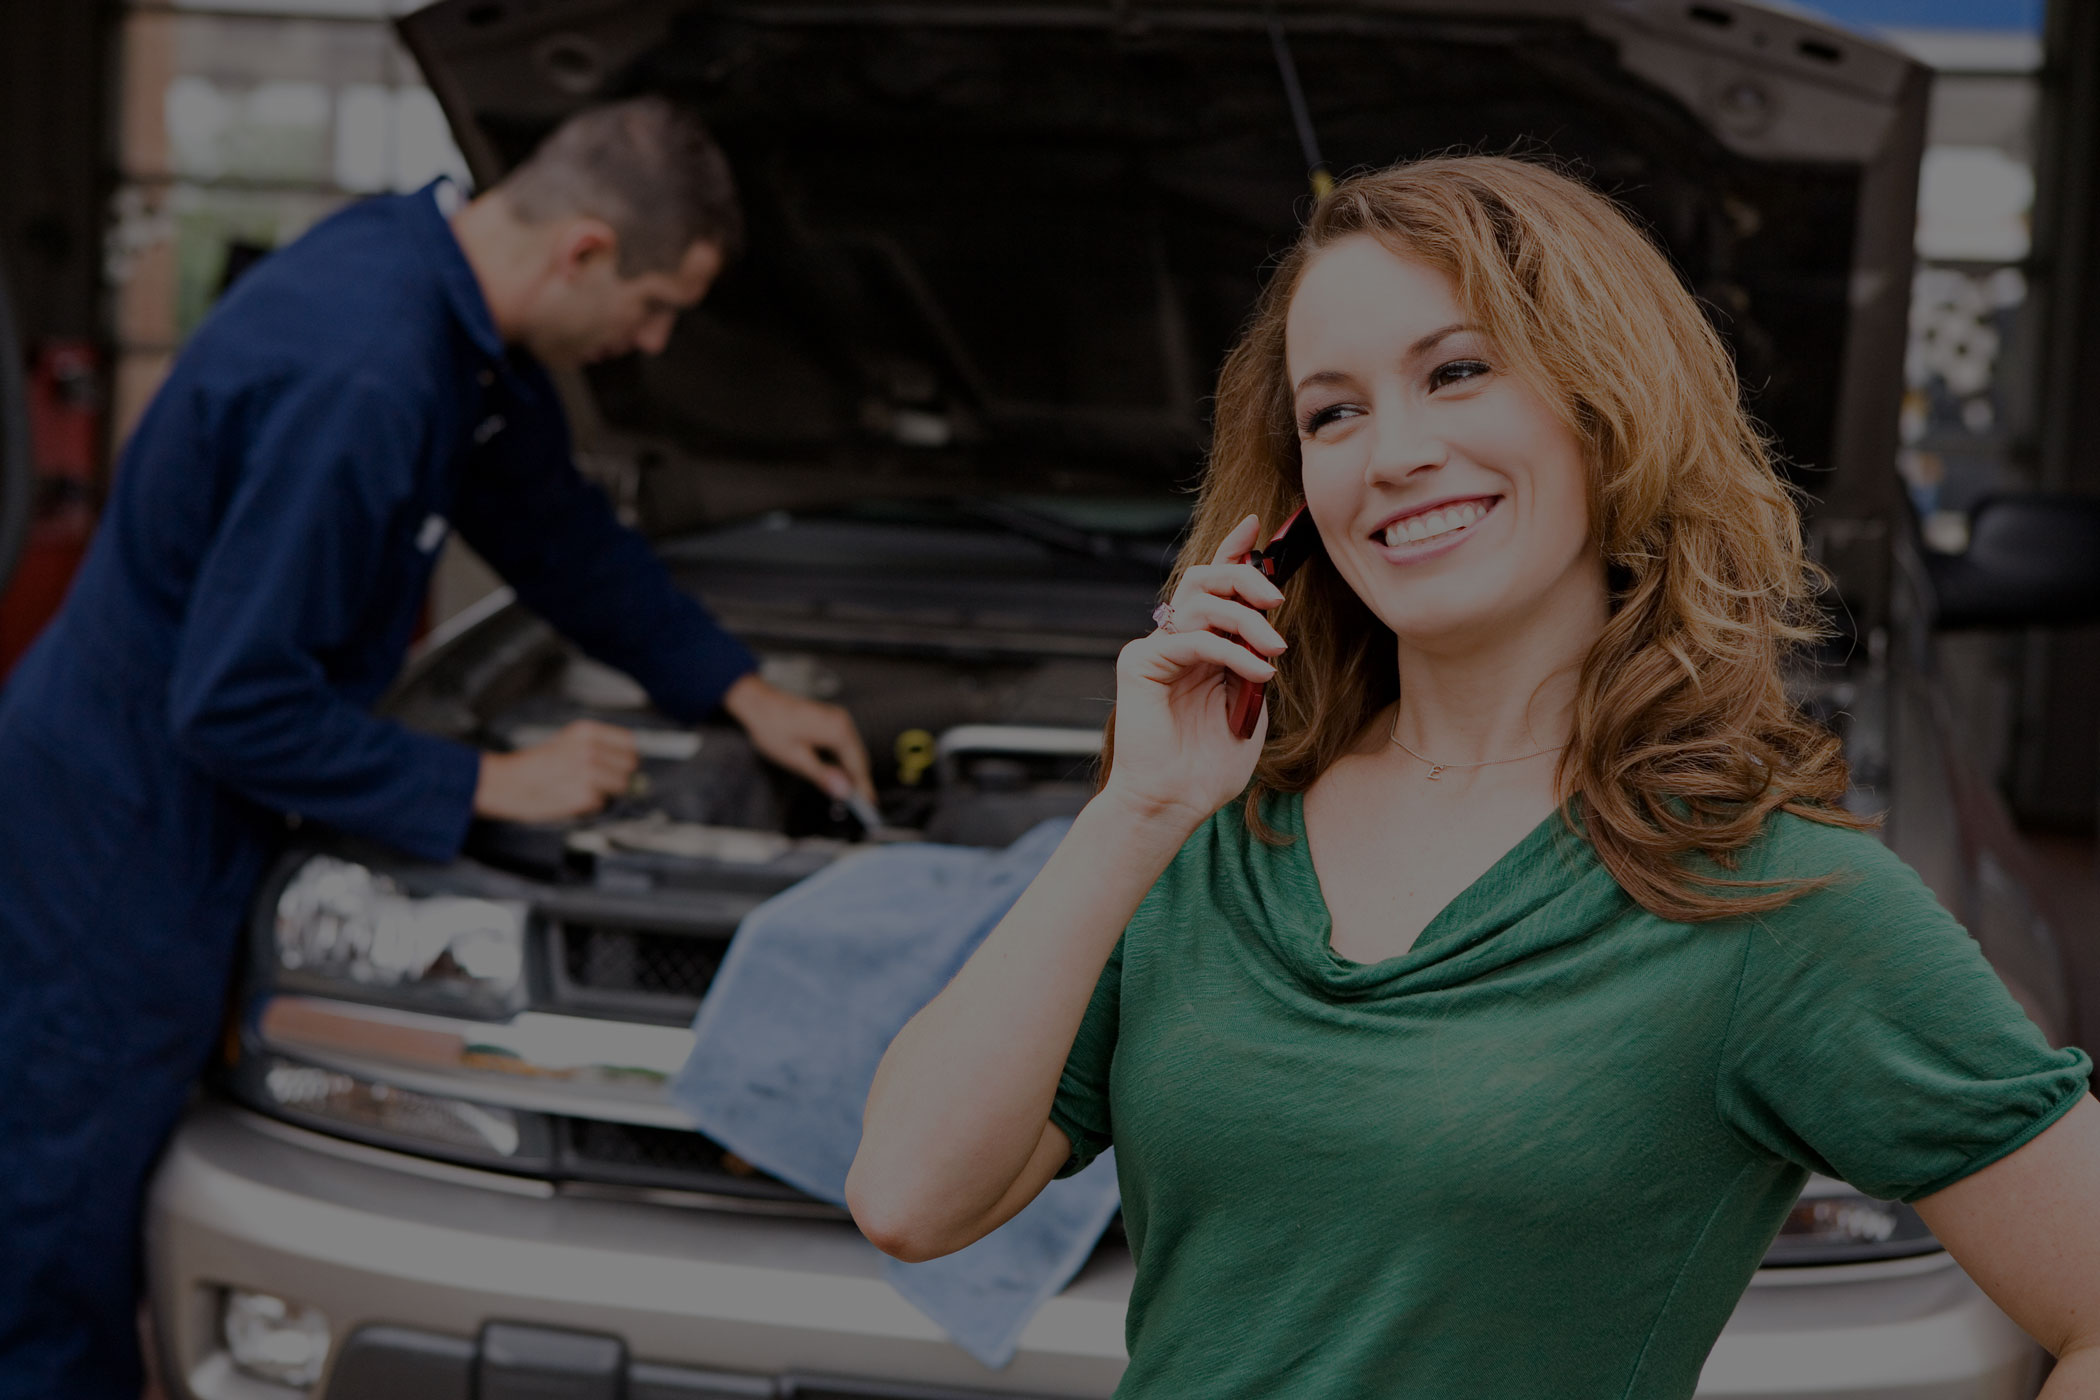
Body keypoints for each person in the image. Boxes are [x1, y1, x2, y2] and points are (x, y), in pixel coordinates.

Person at [847, 155, 2100, 1397]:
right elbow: (908, 1196)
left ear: (1608, 411)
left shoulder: (1771, 892)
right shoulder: (1210, 833)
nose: (1393, 453)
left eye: (1458, 373)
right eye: (1333, 412)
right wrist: (1137, 809)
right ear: (1292, 501)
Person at [0, 97, 870, 1397]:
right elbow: (232, 704)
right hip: (118, 838)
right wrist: (488, 783)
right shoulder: (367, 373)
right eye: (653, 305)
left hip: (175, 808)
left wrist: (738, 690)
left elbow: (557, 534)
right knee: (59, 1228)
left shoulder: (443, 311)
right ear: (582, 249)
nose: (653, 341)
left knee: (90, 1195)